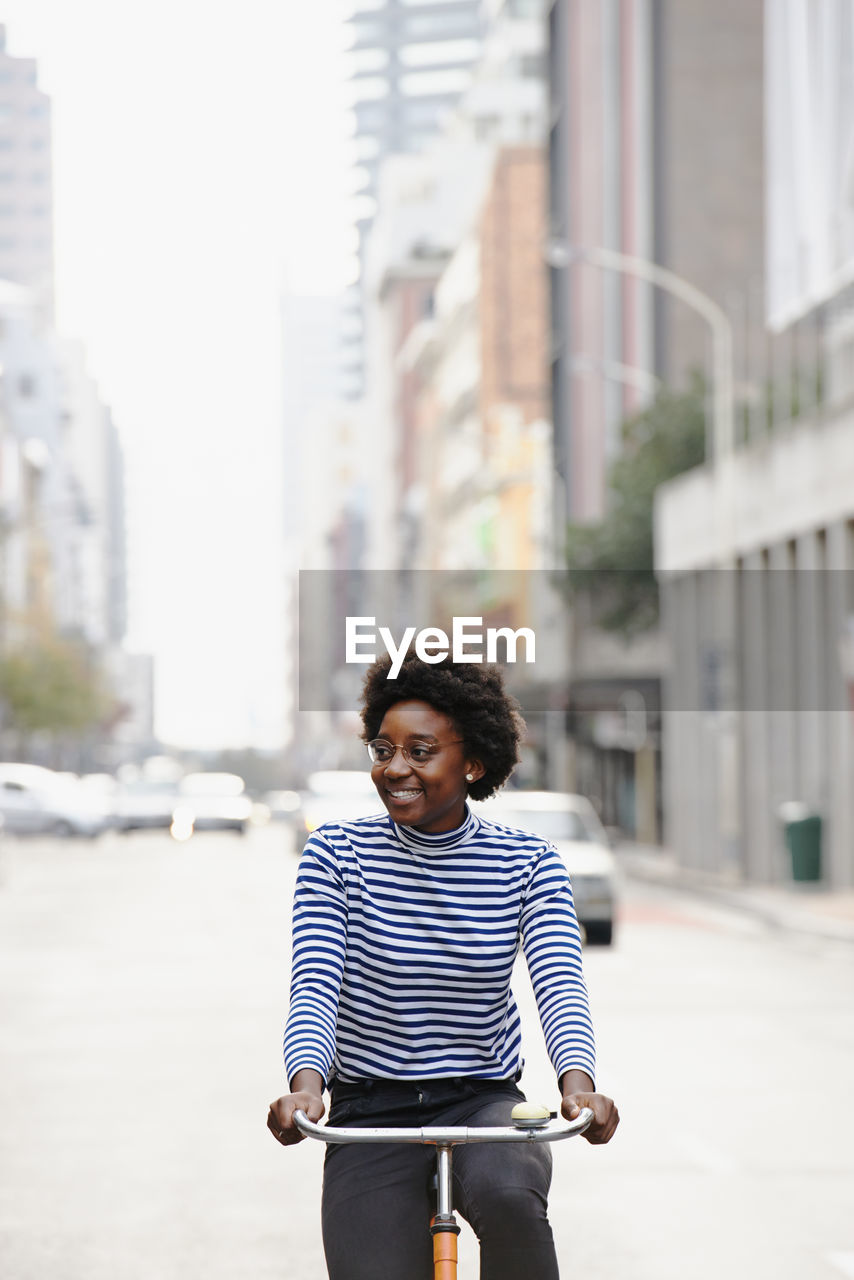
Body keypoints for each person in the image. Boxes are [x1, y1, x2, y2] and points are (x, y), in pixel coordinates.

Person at [268, 653, 619, 1279]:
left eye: (421, 750)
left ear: (473, 762)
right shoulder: (334, 855)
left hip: (483, 1102)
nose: (395, 768)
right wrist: (306, 1089)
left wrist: (578, 1085)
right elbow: (314, 986)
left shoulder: (527, 863)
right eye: (383, 749)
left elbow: (559, 984)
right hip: (370, 1110)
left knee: (514, 1201)